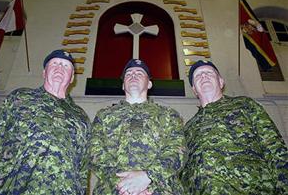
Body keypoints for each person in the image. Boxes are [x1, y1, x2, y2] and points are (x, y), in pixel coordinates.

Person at [0, 50, 91, 194]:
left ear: (72, 77)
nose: (59, 67)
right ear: (44, 72)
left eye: (66, 66)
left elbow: (83, 166)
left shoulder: (81, 117)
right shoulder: (21, 97)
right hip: (13, 188)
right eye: (54, 63)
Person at [180, 60, 288, 194]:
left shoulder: (244, 104)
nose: (204, 76)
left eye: (209, 73)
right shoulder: (188, 127)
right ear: (194, 90)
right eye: (198, 75)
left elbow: (274, 147)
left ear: (221, 82)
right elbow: (181, 171)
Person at [91, 59, 185, 195]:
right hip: (113, 190)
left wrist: (148, 177)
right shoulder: (104, 115)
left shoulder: (169, 115)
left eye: (139, 73)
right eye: (128, 74)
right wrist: (124, 184)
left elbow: (177, 151)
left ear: (150, 83)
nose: (133, 76)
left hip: (161, 190)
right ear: (123, 85)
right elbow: (95, 151)